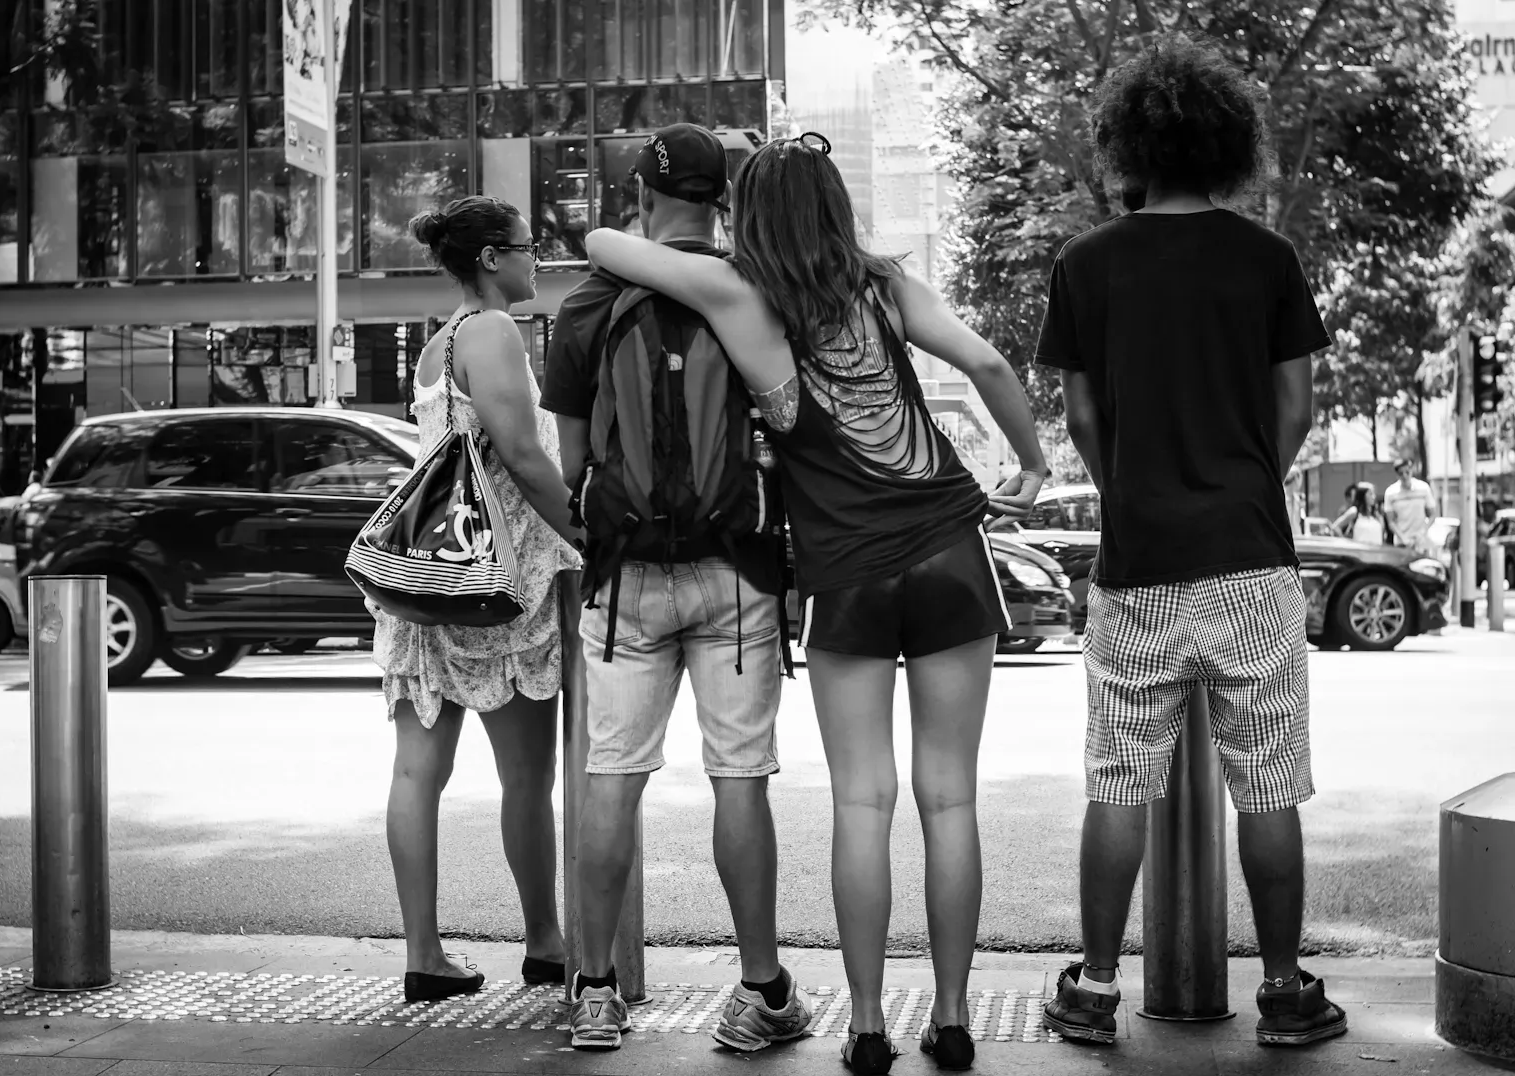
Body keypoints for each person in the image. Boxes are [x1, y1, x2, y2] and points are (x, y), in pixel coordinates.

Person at [586, 132, 1049, 1075]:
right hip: (952, 551)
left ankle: (870, 1027)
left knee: (861, 803)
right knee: (950, 799)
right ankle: (953, 1020)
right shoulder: (882, 282)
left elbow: (603, 246)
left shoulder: (738, 294)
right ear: (837, 208)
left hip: (846, 575)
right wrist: (1032, 466)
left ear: (747, 217)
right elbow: (992, 366)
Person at [1034, 37, 1346, 1049]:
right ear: (1227, 143)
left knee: (1117, 775)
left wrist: (1134, 473)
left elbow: (1079, 413)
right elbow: (1294, 401)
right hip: (1250, 551)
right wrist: (1249, 466)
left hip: (1136, 560)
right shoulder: (1265, 258)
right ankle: (1289, 990)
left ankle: (1088, 986)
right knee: (1268, 777)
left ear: (1130, 143)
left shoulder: (1084, 261)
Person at [541, 124, 808, 1054]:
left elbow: (570, 461)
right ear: (720, 199)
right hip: (737, 577)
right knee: (740, 780)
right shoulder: (750, 292)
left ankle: (599, 994)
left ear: (642, 197)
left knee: (612, 780)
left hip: (624, 581)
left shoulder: (586, 305)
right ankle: (762, 990)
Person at [367, 196, 582, 1003]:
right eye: (529, 249)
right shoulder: (491, 332)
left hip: (430, 583)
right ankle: (545, 941)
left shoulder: (436, 344)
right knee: (526, 778)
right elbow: (524, 455)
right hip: (496, 587)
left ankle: (424, 953)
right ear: (492, 257)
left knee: (418, 772)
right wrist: (590, 534)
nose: (538, 263)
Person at [1383, 459, 1437, 555]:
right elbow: (1390, 521)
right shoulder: (1391, 493)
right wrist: (1403, 538)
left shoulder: (1423, 488)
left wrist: (1423, 531)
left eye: (1407, 472)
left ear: (1412, 471)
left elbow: (1432, 515)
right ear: (1397, 475)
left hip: (1421, 541)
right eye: (1401, 473)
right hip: (1402, 542)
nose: (1404, 476)